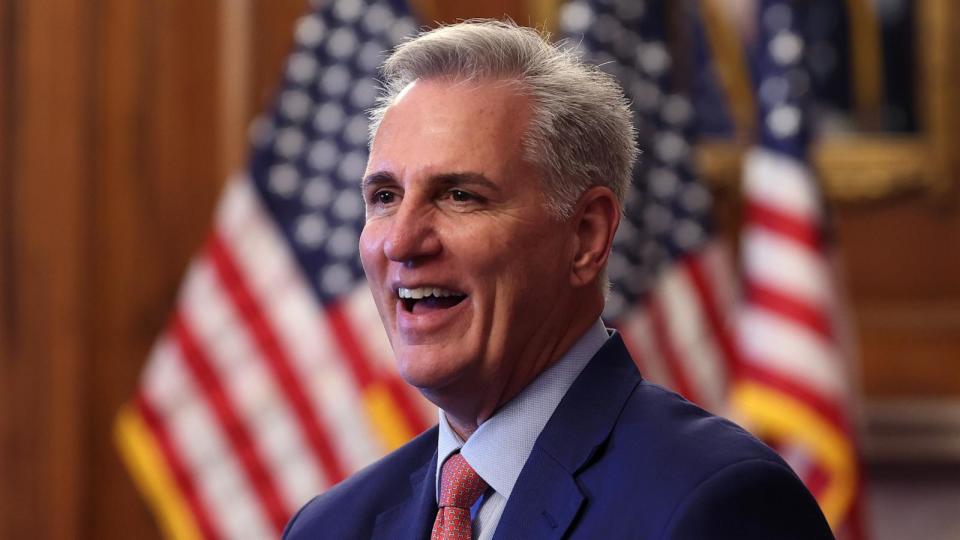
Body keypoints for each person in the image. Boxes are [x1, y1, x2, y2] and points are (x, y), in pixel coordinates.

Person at [284, 20, 834, 540]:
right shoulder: (330, 526)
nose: (401, 243)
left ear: (587, 237)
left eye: (459, 196)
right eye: (385, 197)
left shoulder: (715, 504)